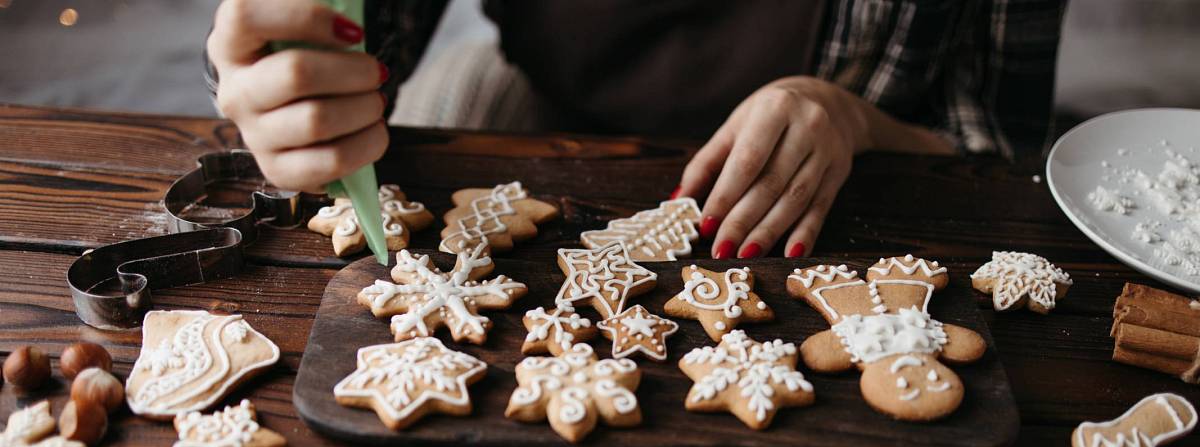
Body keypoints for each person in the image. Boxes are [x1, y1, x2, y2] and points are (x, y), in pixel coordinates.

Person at [205, 0, 1066, 258]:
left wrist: (848, 117)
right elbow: (359, 37)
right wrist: (281, 75)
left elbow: (992, 160)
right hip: (549, 106)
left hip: (861, 164)